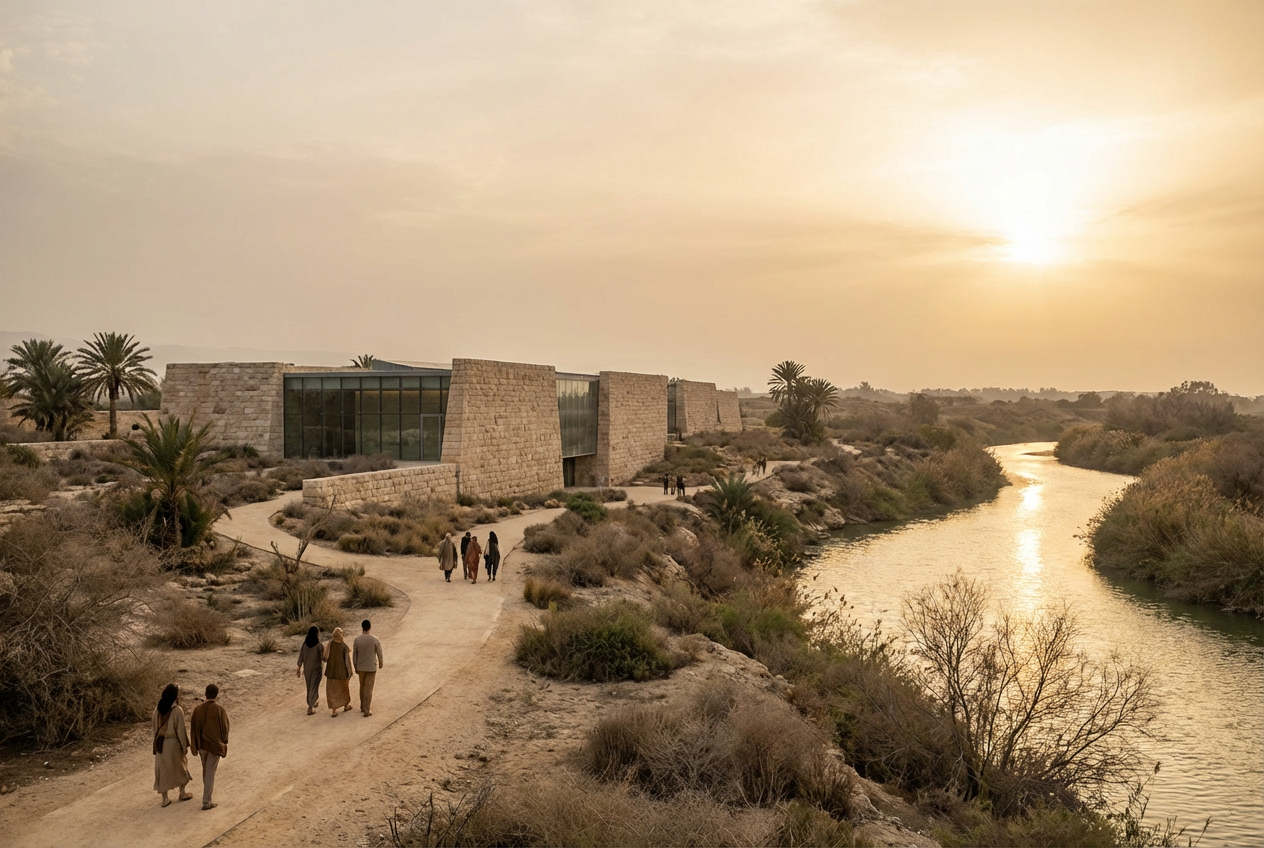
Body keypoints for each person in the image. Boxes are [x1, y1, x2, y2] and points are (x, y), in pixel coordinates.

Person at [189, 683, 230, 811]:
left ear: (205, 694)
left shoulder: (197, 710)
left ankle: (207, 796)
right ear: (216, 695)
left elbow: (193, 729)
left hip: (202, 746)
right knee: (210, 772)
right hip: (214, 746)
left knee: (206, 770)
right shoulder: (219, 710)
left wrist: (195, 746)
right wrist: (224, 742)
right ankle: (207, 801)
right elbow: (225, 729)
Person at [152, 683, 193, 807]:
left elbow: (154, 728)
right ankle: (182, 792)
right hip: (173, 743)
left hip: (160, 743)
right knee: (181, 767)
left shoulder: (157, 709)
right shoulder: (177, 710)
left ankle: (165, 799)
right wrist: (184, 745)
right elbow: (181, 730)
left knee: (162, 770)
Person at [353, 619, 385, 717]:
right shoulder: (375, 639)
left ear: (362, 627)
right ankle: (367, 709)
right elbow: (379, 652)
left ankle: (362, 706)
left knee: (362, 686)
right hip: (371, 667)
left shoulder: (357, 640)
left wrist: (355, 666)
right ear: (370, 627)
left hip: (361, 667)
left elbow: (355, 655)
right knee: (368, 688)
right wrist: (380, 662)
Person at [323, 627, 354, 717]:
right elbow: (347, 661)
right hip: (342, 673)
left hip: (331, 672)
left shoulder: (330, 644)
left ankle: (334, 710)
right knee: (344, 690)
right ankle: (346, 705)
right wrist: (350, 672)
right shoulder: (344, 646)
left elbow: (325, 656)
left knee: (332, 691)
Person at [296, 626, 324, 715]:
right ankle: (310, 707)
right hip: (316, 669)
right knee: (314, 686)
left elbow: (301, 656)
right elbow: (324, 658)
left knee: (309, 687)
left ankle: (312, 702)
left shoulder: (305, 644)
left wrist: (299, 667)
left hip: (307, 669)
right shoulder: (319, 646)